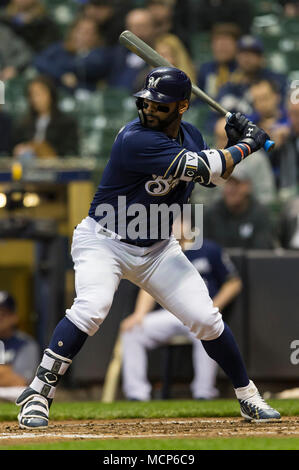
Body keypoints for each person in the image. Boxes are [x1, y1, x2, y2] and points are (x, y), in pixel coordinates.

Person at [15, 66, 281, 429]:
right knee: (93, 308)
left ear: (182, 106)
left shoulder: (190, 134)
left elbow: (217, 176)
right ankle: (37, 393)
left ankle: (249, 397)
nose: (150, 109)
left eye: (161, 105)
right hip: (104, 241)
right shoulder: (134, 138)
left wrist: (232, 145)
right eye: (147, 102)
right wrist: (247, 143)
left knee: (206, 319)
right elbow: (204, 168)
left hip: (157, 248)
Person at [121, 227, 242, 401]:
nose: (173, 225)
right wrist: (139, 314)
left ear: (191, 226)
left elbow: (233, 283)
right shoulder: (160, 252)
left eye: (178, 219)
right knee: (132, 330)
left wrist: (213, 308)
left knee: (207, 326)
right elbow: (148, 287)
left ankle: (204, 393)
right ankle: (137, 395)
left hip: (198, 312)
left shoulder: (208, 248)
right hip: (170, 313)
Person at [204, 164, 276, 249]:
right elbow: (203, 253)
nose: (231, 189)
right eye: (228, 183)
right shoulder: (211, 214)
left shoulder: (260, 214)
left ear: (248, 186)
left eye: (236, 184)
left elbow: (261, 253)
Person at [34, 16, 112, 93]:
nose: (80, 35)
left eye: (87, 32)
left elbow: (82, 66)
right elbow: (39, 61)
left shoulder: (100, 53)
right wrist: (62, 75)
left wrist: (54, 66)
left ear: (96, 37)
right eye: (79, 30)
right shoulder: (60, 47)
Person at [12, 75, 79, 158]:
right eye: (32, 95)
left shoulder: (67, 123)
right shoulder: (23, 124)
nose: (35, 99)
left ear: (50, 94)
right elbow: (13, 147)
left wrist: (41, 149)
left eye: (39, 94)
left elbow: (70, 152)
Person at [0, 291, 39, 402]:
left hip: (11, 396)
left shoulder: (26, 343)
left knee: (23, 392)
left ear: (14, 317)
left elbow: (20, 381)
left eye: (3, 313)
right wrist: (5, 371)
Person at [108, 8, 154, 92]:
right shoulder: (118, 53)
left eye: (142, 26)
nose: (138, 31)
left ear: (152, 28)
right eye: (133, 26)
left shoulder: (160, 53)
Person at [197, 24, 240, 101]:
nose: (222, 48)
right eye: (218, 44)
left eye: (226, 44)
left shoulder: (242, 69)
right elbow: (198, 101)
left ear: (236, 46)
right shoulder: (205, 69)